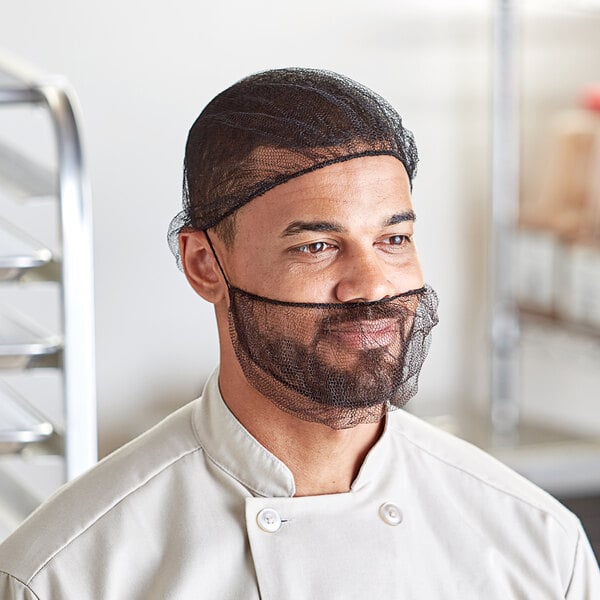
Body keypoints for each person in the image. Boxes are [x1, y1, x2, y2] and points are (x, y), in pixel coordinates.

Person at [0, 68, 598, 599]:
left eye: (394, 239)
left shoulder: (540, 547)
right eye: (316, 246)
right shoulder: (65, 573)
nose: (371, 286)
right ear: (205, 265)